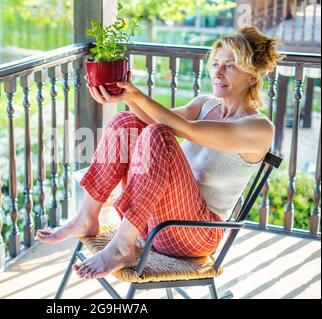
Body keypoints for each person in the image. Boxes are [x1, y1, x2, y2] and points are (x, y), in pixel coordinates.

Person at [37, 27, 284, 280]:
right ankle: (86, 218)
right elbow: (149, 118)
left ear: (253, 76)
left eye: (230, 66)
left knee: (159, 135)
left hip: (195, 234)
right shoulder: (205, 104)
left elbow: (185, 130)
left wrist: (138, 95)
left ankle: (122, 247)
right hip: (151, 221)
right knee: (127, 123)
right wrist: (127, 97)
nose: (218, 73)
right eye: (216, 64)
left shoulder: (260, 128)